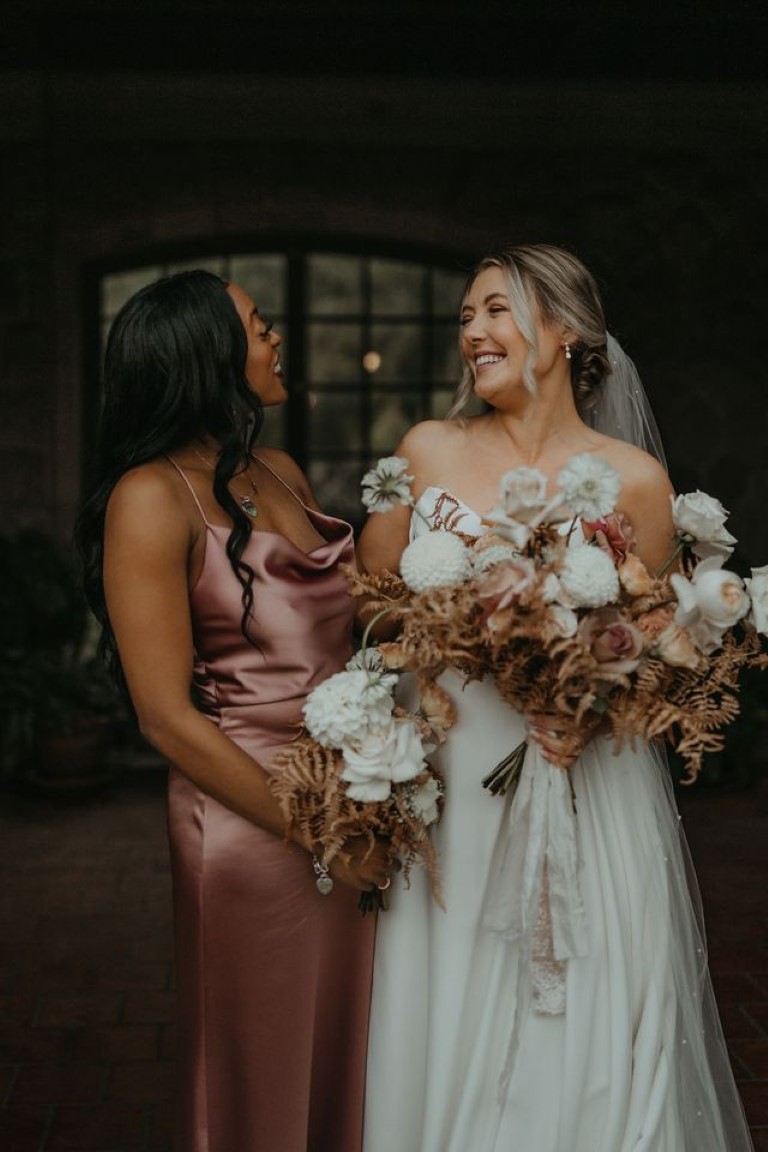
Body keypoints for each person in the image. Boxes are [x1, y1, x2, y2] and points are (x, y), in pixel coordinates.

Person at [358, 244, 754, 1151]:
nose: (473, 331)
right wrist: (463, 639)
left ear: (565, 330)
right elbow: (372, 606)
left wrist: (587, 707)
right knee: (454, 990)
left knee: (587, 1002)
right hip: (454, 779)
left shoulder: (635, 480)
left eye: (495, 309)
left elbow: (654, 645)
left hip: (583, 780)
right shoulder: (424, 449)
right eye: (466, 316)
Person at [76, 270, 392, 1152]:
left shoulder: (277, 470)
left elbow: (357, 624)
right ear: (206, 353)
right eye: (258, 326)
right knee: (258, 1061)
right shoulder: (149, 498)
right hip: (251, 817)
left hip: (355, 794)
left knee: (348, 1046)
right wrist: (323, 832)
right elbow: (165, 720)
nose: (276, 338)